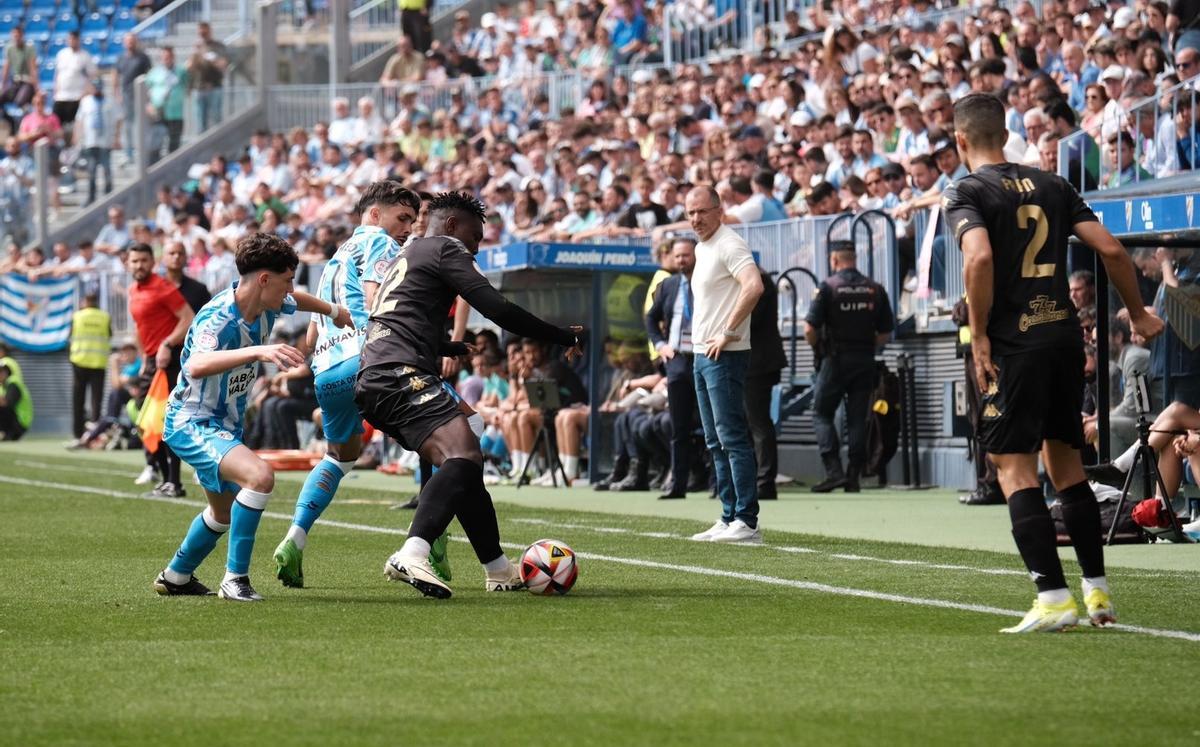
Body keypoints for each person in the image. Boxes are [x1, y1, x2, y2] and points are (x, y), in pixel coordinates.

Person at [944, 93, 1164, 633]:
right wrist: (1138, 312)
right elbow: (1112, 251)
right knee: (1067, 467)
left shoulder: (967, 190)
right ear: (1006, 133)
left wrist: (977, 339)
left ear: (961, 141)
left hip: (1014, 345)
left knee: (1013, 468)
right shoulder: (1053, 184)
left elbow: (978, 257)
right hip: (1064, 339)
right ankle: (1098, 593)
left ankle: (1051, 595)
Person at [355, 192, 583, 599]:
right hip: (400, 372)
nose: (476, 248)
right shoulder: (445, 246)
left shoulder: (407, 254)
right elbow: (496, 308)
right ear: (454, 226)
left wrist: (444, 347)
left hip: (378, 374)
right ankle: (413, 550)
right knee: (464, 455)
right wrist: (560, 335)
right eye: (476, 237)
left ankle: (497, 568)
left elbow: (397, 314)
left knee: (464, 463)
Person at [153, 233, 352, 601]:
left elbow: (299, 300)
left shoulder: (269, 304)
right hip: (192, 422)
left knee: (222, 513)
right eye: (287, 279)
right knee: (260, 477)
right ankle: (235, 579)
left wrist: (335, 311)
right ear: (264, 279)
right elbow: (197, 364)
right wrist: (259, 351)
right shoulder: (218, 317)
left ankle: (176, 576)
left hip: (226, 425)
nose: (291, 288)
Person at [273, 181, 432, 589]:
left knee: (340, 456)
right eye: (402, 218)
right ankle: (432, 547)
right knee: (445, 436)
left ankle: (295, 537)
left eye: (413, 222)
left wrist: (303, 361)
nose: (407, 229)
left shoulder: (333, 260)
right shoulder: (380, 244)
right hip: (369, 360)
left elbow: (312, 329)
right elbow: (376, 296)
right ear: (375, 215)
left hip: (328, 371)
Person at [682, 186, 765, 544]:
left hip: (724, 355)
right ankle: (729, 514)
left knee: (731, 437)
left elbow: (754, 286)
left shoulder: (730, 243)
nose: (695, 219)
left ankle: (746, 520)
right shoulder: (703, 248)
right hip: (703, 354)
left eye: (701, 211)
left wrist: (728, 332)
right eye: (690, 213)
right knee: (715, 440)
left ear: (719, 210)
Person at [805, 241, 894, 493]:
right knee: (857, 418)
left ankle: (834, 472)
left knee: (822, 413)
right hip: (864, 359)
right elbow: (886, 332)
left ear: (834, 260)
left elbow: (809, 329)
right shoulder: (875, 289)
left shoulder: (827, 288)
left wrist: (817, 349)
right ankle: (853, 476)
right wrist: (866, 346)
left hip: (834, 360)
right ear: (854, 259)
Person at [127, 242, 196, 496]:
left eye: (143, 260)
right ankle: (165, 478)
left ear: (152, 262)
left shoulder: (162, 287)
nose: (139, 265)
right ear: (128, 263)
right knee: (146, 421)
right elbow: (140, 326)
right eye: (134, 261)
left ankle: (174, 482)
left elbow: (188, 317)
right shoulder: (133, 290)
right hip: (152, 363)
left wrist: (167, 344)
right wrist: (144, 356)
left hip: (169, 362)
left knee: (165, 421)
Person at [645, 237, 702, 499]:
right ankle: (678, 484)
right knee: (678, 427)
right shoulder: (668, 285)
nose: (681, 260)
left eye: (686, 255)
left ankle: (715, 483)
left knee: (710, 424)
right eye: (677, 256)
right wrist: (660, 344)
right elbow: (651, 317)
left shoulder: (707, 281)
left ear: (696, 255)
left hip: (703, 357)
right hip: (677, 361)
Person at [746, 267, 789, 500]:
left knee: (758, 423)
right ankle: (759, 480)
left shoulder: (757, 279)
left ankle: (764, 482)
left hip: (758, 363)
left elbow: (749, 320)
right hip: (757, 362)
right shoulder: (756, 277)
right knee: (754, 423)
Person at [68, 293, 111, 441]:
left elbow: (70, 335)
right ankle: (94, 435)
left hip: (79, 362)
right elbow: (109, 335)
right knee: (96, 401)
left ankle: (77, 433)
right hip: (98, 363)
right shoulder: (105, 317)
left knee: (78, 399)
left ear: (85, 301)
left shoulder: (77, 316)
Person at [0, 361, 31, 440]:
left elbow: (7, 403)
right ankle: (5, 434)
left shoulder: (13, 383)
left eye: (1, 371)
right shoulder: (3, 386)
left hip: (19, 423)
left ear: (7, 372)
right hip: (15, 422)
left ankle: (6, 433)